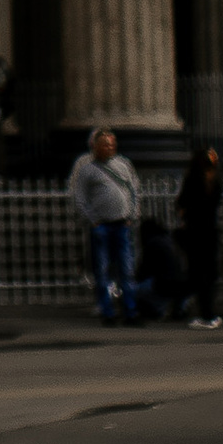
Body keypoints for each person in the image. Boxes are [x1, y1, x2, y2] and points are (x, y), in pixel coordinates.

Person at [68, 125, 141, 323]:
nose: (110, 148)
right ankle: (107, 311)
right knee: (102, 270)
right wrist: (93, 221)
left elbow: (133, 189)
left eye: (112, 144)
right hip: (101, 226)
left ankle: (130, 311)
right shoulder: (87, 169)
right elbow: (80, 198)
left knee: (126, 269)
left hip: (121, 224)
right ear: (95, 147)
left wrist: (131, 214)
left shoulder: (123, 164)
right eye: (105, 145)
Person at [175, 141, 223, 330]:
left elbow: (182, 203)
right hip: (210, 230)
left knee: (197, 272)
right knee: (208, 274)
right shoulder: (216, 181)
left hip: (195, 231)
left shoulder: (193, 180)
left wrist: (184, 213)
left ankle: (206, 314)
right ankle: (209, 312)